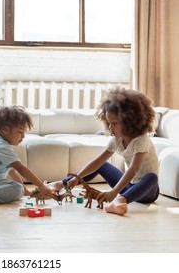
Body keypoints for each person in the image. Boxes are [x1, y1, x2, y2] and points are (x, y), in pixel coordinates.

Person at [50, 86, 159, 216]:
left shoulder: (141, 140)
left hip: (147, 192)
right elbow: (98, 162)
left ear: (129, 121)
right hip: (129, 187)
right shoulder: (117, 139)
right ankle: (60, 184)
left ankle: (119, 201)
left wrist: (113, 193)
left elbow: (132, 170)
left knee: (151, 177)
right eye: (108, 123)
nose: (110, 128)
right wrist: (77, 178)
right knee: (102, 165)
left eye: (114, 123)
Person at [0, 105, 56, 208]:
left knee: (18, 190)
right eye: (20, 132)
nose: (23, 136)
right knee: (17, 189)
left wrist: (25, 190)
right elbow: (21, 168)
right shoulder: (1, 147)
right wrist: (41, 186)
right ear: (5, 130)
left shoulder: (1, 145)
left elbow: (12, 170)